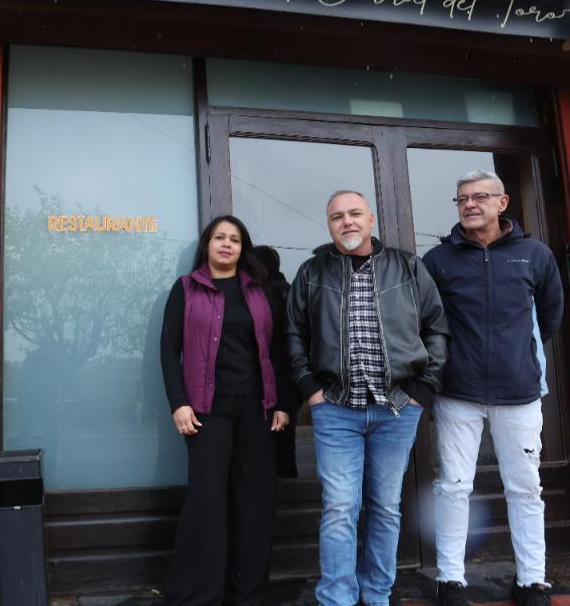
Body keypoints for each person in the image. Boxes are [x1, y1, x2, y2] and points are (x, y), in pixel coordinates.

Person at [287, 191, 449, 606]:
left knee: (385, 507)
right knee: (340, 507)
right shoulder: (311, 273)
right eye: (337, 216)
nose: (347, 222)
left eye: (354, 213)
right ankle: (337, 598)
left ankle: (377, 595)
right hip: (336, 408)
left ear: (371, 219)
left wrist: (423, 391)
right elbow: (293, 336)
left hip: (397, 407)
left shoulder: (408, 267)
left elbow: (436, 328)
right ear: (329, 225)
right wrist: (312, 391)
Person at [422, 171, 564, 606]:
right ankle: (450, 581)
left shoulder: (534, 255)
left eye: (480, 197)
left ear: (503, 203)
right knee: (453, 486)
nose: (469, 204)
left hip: (519, 395)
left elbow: (549, 316)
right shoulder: (438, 260)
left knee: (525, 488)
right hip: (457, 393)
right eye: (462, 198)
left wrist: (518, 358)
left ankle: (532, 581)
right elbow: (425, 321)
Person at [160, 215, 293, 606]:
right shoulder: (186, 289)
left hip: (257, 408)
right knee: (207, 501)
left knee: (255, 501)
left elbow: (279, 349)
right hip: (206, 410)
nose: (226, 244)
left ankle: (248, 594)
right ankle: (198, 596)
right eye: (220, 237)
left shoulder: (261, 291)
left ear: (242, 248)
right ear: (207, 244)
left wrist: (283, 403)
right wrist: (178, 403)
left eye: (234, 239)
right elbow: (169, 351)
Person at [252, 245, 298, 478]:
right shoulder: (289, 290)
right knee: (285, 443)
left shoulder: (263, 293)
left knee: (265, 446)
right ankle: (289, 486)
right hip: (291, 376)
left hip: (273, 376)